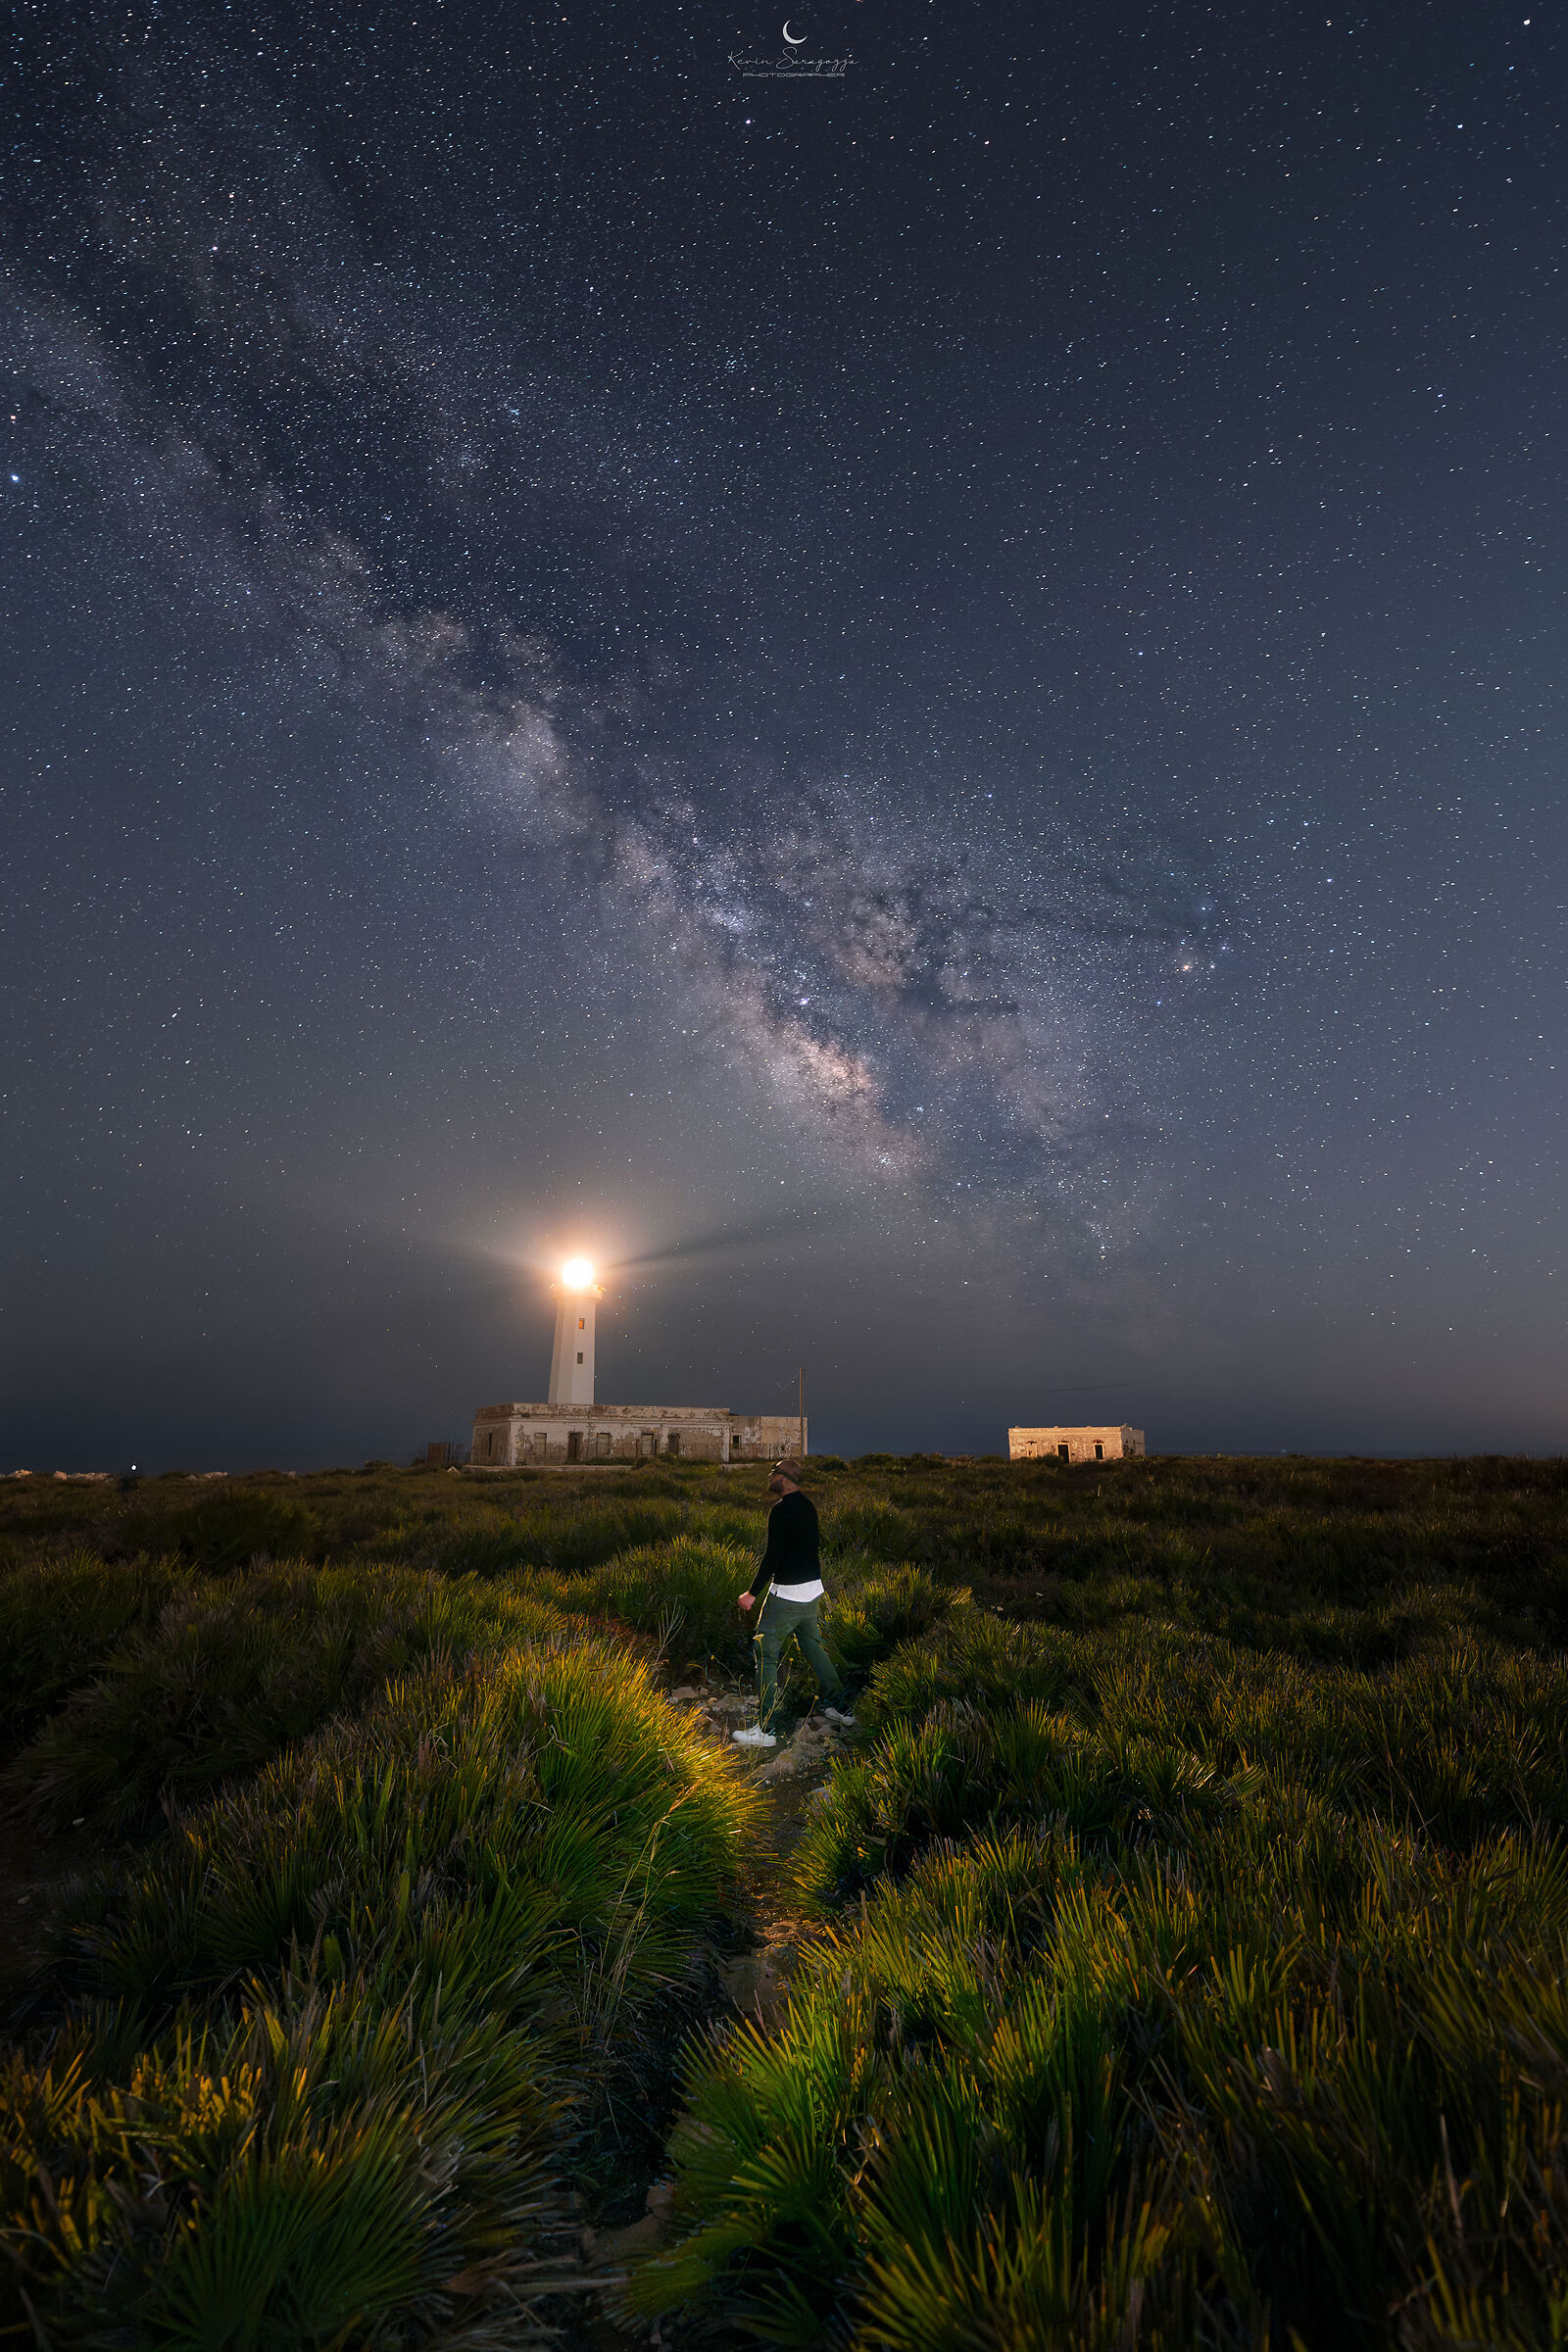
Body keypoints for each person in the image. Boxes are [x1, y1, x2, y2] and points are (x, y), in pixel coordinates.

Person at [732, 1459, 856, 1748]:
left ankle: (766, 1729)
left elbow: (771, 1556)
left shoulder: (781, 1511)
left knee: (765, 1652)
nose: (770, 1477)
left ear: (784, 1478)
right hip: (812, 1592)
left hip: (786, 1596)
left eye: (773, 1473)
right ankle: (841, 1709)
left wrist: (751, 1594)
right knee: (813, 1647)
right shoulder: (808, 1507)